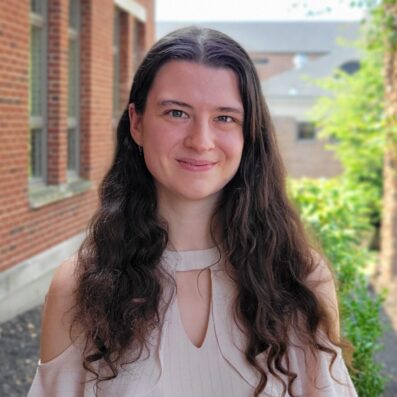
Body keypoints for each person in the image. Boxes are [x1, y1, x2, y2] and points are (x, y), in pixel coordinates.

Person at [28, 26, 358, 397]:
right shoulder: (79, 286)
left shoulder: (299, 280)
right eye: (176, 113)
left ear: (249, 133)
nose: (200, 141)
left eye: (224, 118)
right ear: (137, 123)